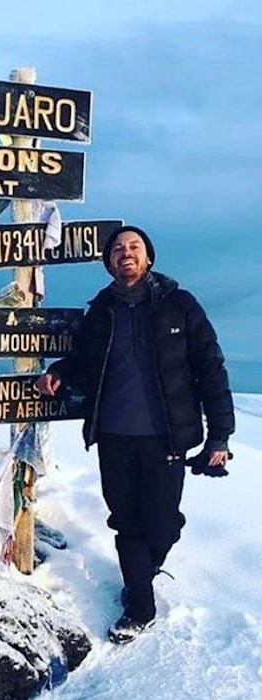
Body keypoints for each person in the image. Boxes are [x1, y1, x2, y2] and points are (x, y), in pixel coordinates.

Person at [35, 225, 234, 644]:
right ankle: (140, 604)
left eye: (134, 247)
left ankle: (142, 571)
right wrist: (58, 372)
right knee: (126, 521)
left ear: (149, 258)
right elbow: (84, 361)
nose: (126, 253)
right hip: (113, 435)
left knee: (162, 525)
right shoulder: (102, 310)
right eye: (118, 249)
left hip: (166, 437)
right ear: (109, 262)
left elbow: (211, 368)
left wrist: (220, 437)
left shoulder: (179, 305)